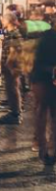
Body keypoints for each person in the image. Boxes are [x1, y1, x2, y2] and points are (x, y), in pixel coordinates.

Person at [30, 23, 56, 165]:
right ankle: (50, 149)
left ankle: (43, 149)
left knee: (42, 114)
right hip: (47, 79)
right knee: (52, 115)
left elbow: (36, 59)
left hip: (39, 79)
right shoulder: (48, 37)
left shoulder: (44, 37)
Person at [0, 12, 23, 124]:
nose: (2, 22)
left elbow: (14, 51)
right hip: (8, 66)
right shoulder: (9, 33)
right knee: (10, 89)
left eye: (4, 20)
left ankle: (15, 113)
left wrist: (9, 65)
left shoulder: (14, 33)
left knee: (13, 89)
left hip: (12, 67)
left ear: (9, 21)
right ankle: (13, 111)